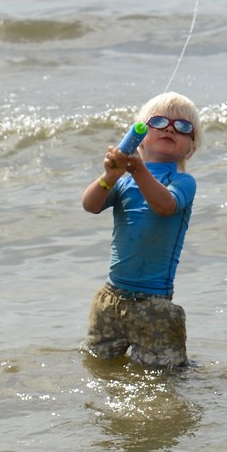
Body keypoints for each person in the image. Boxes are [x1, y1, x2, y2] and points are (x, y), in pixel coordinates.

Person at [81, 91, 201, 367]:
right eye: (158, 122)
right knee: (99, 367)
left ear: (190, 149)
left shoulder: (183, 181)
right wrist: (110, 176)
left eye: (183, 127)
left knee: (162, 378)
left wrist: (138, 171)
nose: (170, 127)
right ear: (138, 139)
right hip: (110, 299)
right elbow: (91, 205)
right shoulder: (123, 180)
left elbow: (165, 206)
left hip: (154, 304)